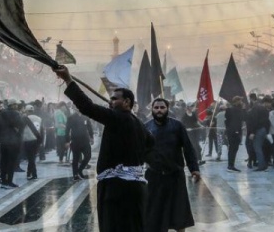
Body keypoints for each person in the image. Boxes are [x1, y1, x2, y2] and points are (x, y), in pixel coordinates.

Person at [54, 65, 154, 232]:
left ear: (127, 102)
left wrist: (68, 80)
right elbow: (151, 142)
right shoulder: (136, 122)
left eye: (114, 99)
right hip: (134, 188)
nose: (111, 101)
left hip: (117, 189)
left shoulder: (119, 118)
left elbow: (88, 107)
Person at [144, 98, 200, 232]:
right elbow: (140, 150)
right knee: (155, 215)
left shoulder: (177, 126)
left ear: (167, 109)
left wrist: (194, 168)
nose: (159, 110)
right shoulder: (146, 127)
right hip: (155, 176)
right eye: (156, 108)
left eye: (162, 107)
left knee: (179, 214)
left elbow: (188, 147)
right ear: (152, 109)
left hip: (175, 175)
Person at [65, 110, 94, 180]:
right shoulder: (71, 118)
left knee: (88, 156)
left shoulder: (85, 116)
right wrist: (67, 141)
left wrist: (91, 137)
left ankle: (80, 170)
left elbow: (89, 127)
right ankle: (75, 174)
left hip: (85, 140)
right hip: (75, 140)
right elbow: (67, 129)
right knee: (75, 158)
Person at [225, 96, 246, 172]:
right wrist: (243, 109)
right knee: (233, 148)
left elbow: (227, 121)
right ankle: (230, 166)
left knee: (233, 149)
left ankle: (231, 165)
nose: (241, 102)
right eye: (240, 101)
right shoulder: (236, 110)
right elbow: (243, 118)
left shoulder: (229, 109)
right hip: (235, 132)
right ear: (236, 101)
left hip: (231, 131)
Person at [22, 105, 43, 181]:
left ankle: (34, 173)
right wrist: (41, 140)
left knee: (30, 158)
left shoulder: (25, 118)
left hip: (28, 139)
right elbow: (41, 130)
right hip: (36, 139)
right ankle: (29, 173)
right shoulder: (39, 119)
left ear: (27, 111)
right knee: (32, 157)